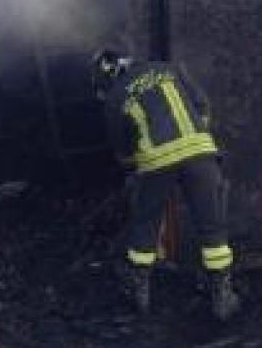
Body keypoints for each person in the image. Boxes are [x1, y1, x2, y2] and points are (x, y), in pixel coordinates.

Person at [92, 49, 240, 321]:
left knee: (145, 223)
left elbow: (122, 150)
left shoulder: (115, 97)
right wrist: (195, 137)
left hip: (156, 163)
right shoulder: (168, 69)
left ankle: (139, 292)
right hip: (200, 156)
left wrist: (135, 166)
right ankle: (222, 296)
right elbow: (202, 104)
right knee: (212, 224)